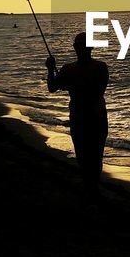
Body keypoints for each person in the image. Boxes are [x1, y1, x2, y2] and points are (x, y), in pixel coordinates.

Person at [45, 32, 109, 190]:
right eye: (79, 46)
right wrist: (50, 69)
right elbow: (52, 87)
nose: (81, 49)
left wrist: (71, 83)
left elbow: (99, 90)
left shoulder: (100, 67)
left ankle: (92, 186)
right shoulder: (68, 69)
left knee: (95, 157)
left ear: (91, 47)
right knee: (82, 156)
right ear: (75, 48)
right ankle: (90, 186)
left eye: (83, 46)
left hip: (96, 118)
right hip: (79, 118)